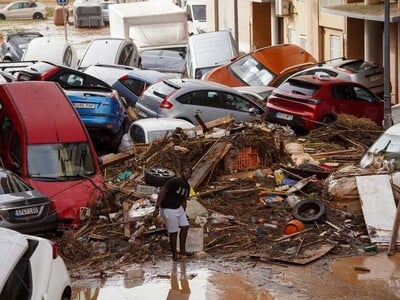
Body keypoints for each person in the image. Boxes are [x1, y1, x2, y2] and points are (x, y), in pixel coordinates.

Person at [153, 166, 193, 262]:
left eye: (188, 172)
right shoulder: (174, 181)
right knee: (173, 232)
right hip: (168, 208)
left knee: (185, 227)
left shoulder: (187, 186)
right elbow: (162, 192)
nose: (186, 174)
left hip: (178, 208)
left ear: (190, 175)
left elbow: (184, 200)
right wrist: (157, 208)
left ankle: (182, 251)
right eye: (185, 171)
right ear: (182, 172)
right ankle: (175, 255)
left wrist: (184, 211)